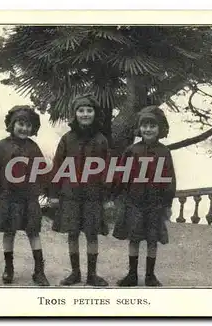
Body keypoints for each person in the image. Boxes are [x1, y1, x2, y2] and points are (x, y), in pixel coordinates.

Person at [49, 94, 112, 287]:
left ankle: (92, 274)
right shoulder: (67, 139)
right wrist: (53, 193)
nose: (85, 114)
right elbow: (58, 166)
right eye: (81, 110)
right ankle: (75, 273)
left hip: (93, 195)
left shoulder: (101, 139)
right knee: (73, 233)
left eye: (89, 110)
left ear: (95, 113)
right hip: (71, 194)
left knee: (92, 234)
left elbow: (108, 169)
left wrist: (107, 196)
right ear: (75, 114)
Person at [112, 105, 176, 287]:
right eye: (145, 126)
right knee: (134, 238)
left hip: (156, 204)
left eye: (152, 126)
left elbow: (169, 179)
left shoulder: (165, 152)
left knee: (152, 240)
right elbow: (121, 175)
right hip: (134, 203)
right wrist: (117, 195)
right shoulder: (132, 150)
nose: (148, 129)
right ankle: (132, 274)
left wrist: (168, 203)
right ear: (139, 128)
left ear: (160, 129)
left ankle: (150, 275)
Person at [0, 105, 50, 286]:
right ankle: (9, 268)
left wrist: (47, 191)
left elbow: (42, 171)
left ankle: (39, 271)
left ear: (33, 128)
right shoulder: (2, 146)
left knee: (33, 233)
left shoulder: (33, 147)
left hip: (29, 199)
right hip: (8, 197)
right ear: (12, 124)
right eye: (20, 124)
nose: (24, 128)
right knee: (9, 232)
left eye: (28, 125)